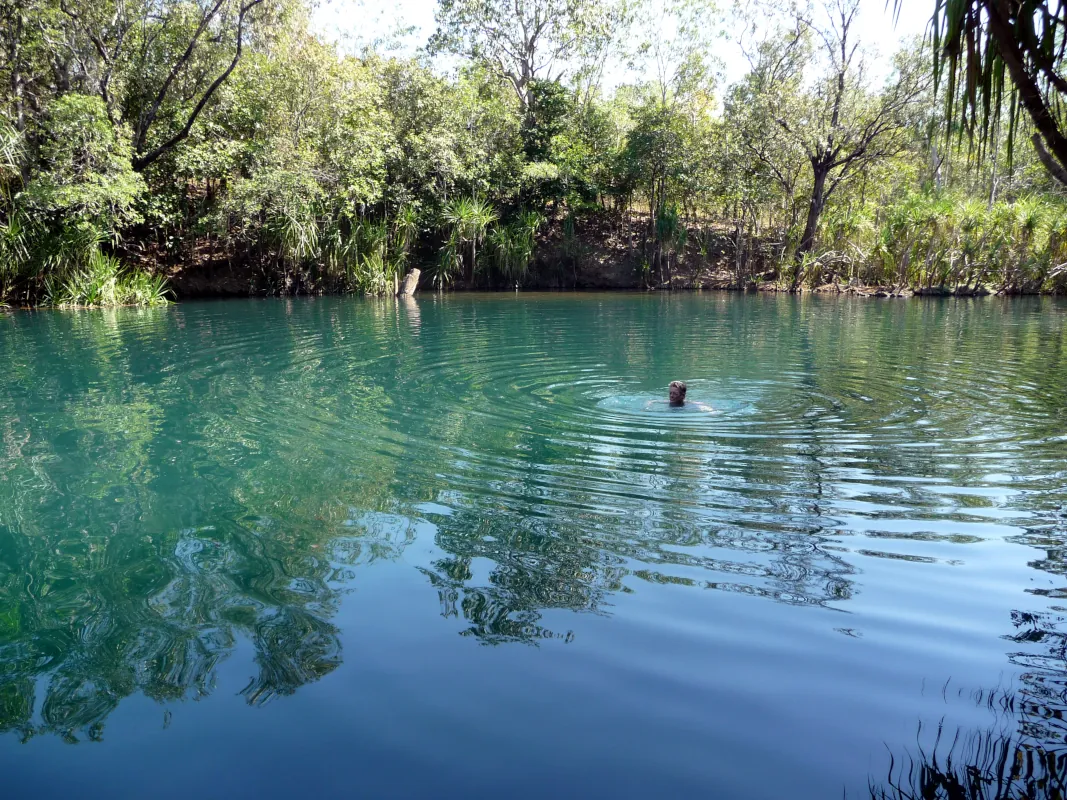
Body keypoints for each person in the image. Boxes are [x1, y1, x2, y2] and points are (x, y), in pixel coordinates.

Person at [646, 381, 713, 411]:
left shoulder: (688, 404)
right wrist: (648, 405)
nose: (671, 396)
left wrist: (710, 410)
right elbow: (652, 401)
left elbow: (702, 404)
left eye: (675, 393)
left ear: (682, 396)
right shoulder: (668, 402)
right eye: (670, 393)